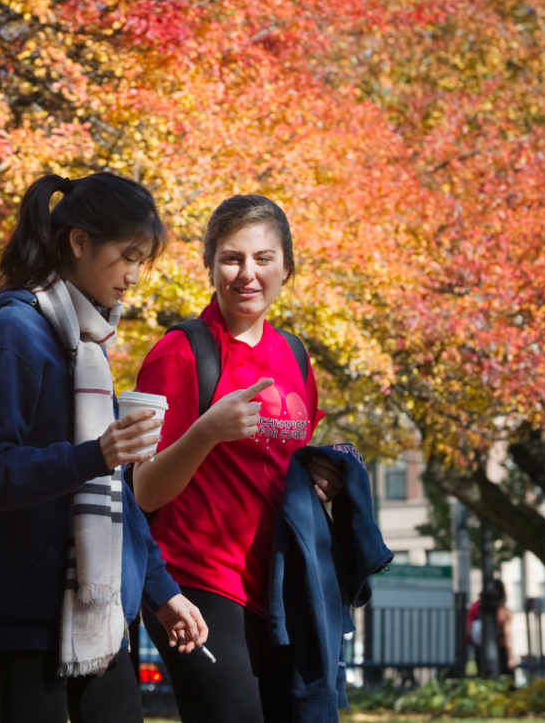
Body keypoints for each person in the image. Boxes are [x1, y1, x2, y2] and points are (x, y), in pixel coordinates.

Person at [0, 172, 208, 723]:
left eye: (141, 261)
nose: (133, 277)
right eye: (127, 256)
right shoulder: (15, 334)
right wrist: (94, 454)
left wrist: (162, 590)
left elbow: (113, 493)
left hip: (100, 609)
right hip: (28, 609)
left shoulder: (87, 345)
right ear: (79, 242)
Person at [130, 194, 346, 723]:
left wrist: (323, 481)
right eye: (232, 258)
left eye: (263, 258)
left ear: (286, 268)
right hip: (199, 582)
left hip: (277, 586)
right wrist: (207, 432)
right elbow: (142, 491)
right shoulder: (181, 354)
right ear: (210, 267)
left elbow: (279, 469)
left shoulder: (294, 354)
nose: (247, 273)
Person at [467, 579, 517, 676]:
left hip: (481, 650)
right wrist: (511, 656)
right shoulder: (504, 612)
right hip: (501, 651)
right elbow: (507, 634)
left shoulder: (477, 608)